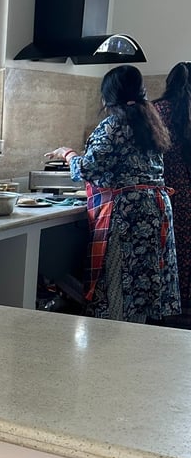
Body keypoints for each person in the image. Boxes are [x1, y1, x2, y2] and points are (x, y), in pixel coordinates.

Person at [47, 64, 180, 323]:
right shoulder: (149, 121)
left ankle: (114, 344)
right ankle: (135, 341)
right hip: (156, 208)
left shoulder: (115, 124)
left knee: (119, 279)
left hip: (128, 213)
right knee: (144, 281)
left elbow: (88, 167)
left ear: (108, 95)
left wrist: (67, 153)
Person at [153, 62, 191, 311]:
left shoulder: (157, 110)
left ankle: (166, 301)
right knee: (185, 244)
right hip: (186, 186)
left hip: (163, 187)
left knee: (166, 245)